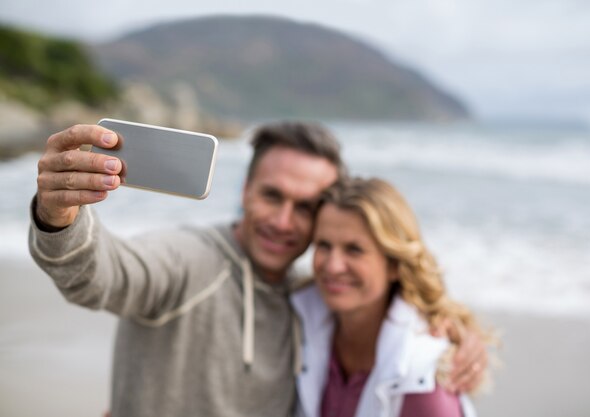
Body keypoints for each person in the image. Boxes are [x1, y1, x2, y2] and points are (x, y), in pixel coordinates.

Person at [29, 121, 487, 417]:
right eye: (272, 196)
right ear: (246, 189)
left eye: (305, 207)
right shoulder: (188, 258)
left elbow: (387, 312)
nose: (283, 222)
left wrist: (457, 330)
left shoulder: (312, 301)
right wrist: (58, 215)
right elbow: (101, 274)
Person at [292, 177, 495, 417]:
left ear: (394, 264)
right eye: (323, 245)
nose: (333, 266)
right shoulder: (297, 320)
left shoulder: (425, 381)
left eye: (354, 249)